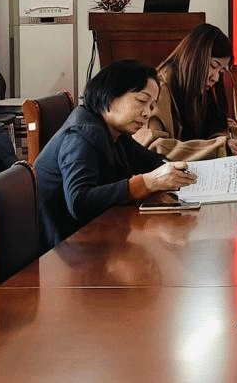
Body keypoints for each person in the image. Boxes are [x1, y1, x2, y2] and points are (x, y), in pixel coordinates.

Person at [34, 60, 198, 249]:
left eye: (152, 106)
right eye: (142, 101)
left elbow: (151, 161)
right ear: (110, 96)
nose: (147, 113)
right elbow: (79, 202)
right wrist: (146, 183)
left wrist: (173, 171)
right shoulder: (81, 136)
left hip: (96, 234)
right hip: (64, 251)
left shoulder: (115, 132)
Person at [134, 23, 237, 161]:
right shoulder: (159, 90)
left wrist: (224, 139)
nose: (215, 78)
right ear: (194, 58)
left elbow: (218, 124)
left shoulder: (199, 89)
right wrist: (216, 148)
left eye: (220, 72)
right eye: (213, 66)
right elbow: (154, 147)